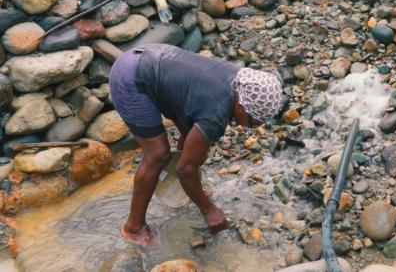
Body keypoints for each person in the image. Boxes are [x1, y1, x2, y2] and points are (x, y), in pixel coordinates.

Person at [109, 44, 284, 247]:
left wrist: (193, 180)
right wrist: (209, 210)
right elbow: (185, 169)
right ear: (241, 105)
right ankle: (133, 227)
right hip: (130, 78)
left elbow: (190, 141)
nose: (249, 127)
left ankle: (187, 188)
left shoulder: (238, 79)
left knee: (192, 142)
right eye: (252, 121)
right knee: (158, 155)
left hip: (153, 58)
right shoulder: (216, 113)